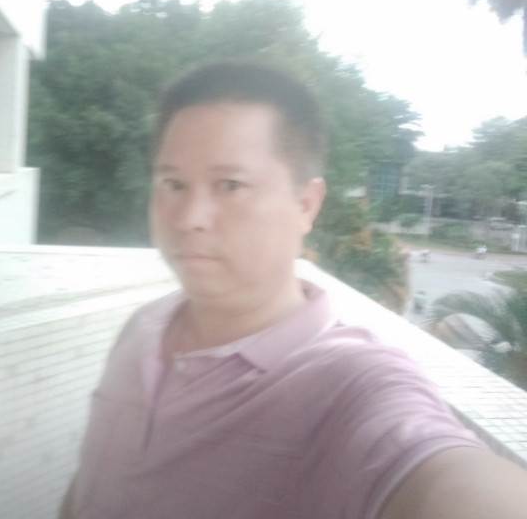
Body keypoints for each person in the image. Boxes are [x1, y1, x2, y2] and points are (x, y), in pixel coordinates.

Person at [60, 60, 527, 519]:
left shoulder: (350, 386)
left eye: (230, 185)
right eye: (173, 183)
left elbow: (442, 476)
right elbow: (88, 486)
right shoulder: (142, 327)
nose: (189, 217)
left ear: (305, 203)